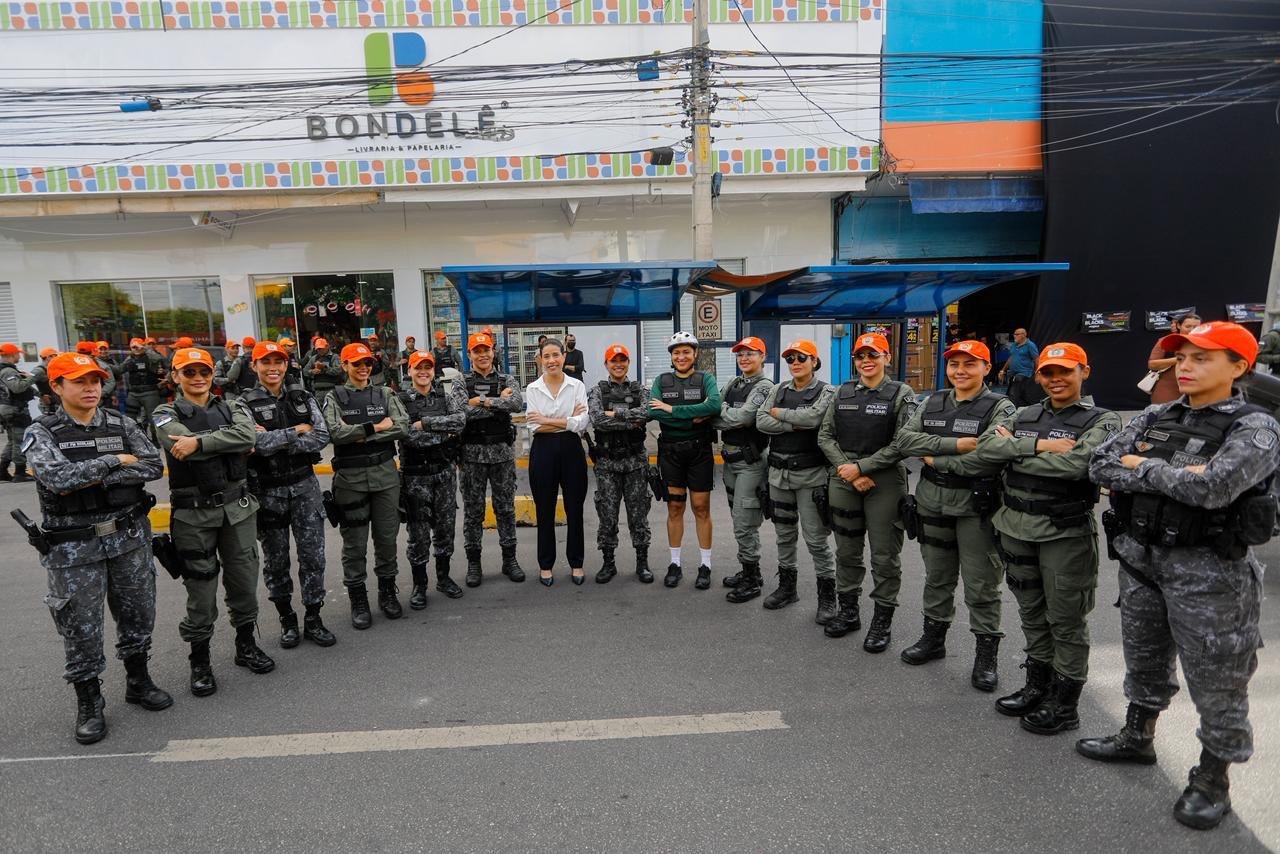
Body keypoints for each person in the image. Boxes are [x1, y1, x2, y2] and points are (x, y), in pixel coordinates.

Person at [1080, 321, 1278, 831]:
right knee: (1143, 656)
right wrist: (1172, 474)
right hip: (1143, 562)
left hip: (1212, 574)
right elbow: (1098, 466)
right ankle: (1137, 737)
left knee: (1218, 680)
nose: (1185, 366)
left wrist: (1141, 466)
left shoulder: (1255, 427)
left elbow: (1214, 489)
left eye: (1202, 358)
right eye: (1182, 357)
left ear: (1239, 367)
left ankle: (1213, 780)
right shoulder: (1154, 414)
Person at [23, 352, 169, 744]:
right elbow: (56, 478)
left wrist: (95, 474)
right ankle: (89, 701)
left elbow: (153, 465)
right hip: (74, 547)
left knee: (138, 612)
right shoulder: (43, 432)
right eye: (79, 382)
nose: (91, 388)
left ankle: (138, 680)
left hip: (128, 538)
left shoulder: (122, 422)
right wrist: (113, 463)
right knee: (81, 627)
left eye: (95, 381)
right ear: (56, 387)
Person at [974, 342, 1120, 733]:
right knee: (1031, 613)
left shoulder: (1102, 420)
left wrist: (1014, 450)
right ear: (1038, 376)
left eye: (1065, 372)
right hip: (1016, 528)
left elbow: (1077, 465)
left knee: (1066, 619)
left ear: (1083, 372)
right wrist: (1039, 445)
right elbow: (987, 447)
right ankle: (1037, 686)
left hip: (1063, 533)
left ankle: (1066, 702)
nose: (1056, 380)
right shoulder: (1025, 413)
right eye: (1048, 373)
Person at [892, 339, 1017, 691]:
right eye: (954, 364)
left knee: (981, 584)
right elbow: (904, 440)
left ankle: (985, 657)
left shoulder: (1000, 406)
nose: (960, 371)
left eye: (970, 364)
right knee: (937, 577)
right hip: (932, 501)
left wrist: (933, 455)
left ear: (986, 368)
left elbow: (990, 452)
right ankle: (934, 640)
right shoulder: (931, 401)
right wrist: (957, 445)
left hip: (976, 506)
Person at [152, 347, 275, 697]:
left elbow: (248, 436)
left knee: (244, 579)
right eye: (189, 372)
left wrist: (200, 443)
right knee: (201, 590)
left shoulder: (232, 404)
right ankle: (200, 661)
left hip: (237, 509)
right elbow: (177, 443)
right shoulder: (165, 412)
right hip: (194, 514)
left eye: (203, 371)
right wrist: (224, 443)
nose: (198, 378)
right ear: (176, 376)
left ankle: (246, 645)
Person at [817, 332, 916, 650]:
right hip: (844, 479)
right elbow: (826, 436)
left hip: (883, 482)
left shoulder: (901, 393)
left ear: (887, 357)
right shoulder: (842, 391)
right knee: (846, 552)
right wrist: (849, 469)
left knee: (885, 557)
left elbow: (903, 442)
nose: (867, 361)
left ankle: (881, 623)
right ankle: (849, 613)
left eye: (874, 354)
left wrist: (863, 468)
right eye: (860, 356)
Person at [242, 341, 336, 649]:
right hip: (268, 491)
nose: (273, 367)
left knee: (313, 557)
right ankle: (287, 621)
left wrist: (272, 439)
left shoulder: (302, 396)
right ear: (254, 366)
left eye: (278, 362)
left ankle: (313, 618)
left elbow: (322, 436)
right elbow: (250, 444)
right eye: (265, 362)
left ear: (286, 365)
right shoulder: (241, 405)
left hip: (305, 486)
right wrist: (297, 431)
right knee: (276, 561)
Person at [322, 342, 411, 629]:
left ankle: (387, 592)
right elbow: (334, 432)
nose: (363, 368)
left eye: (367, 364)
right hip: (351, 481)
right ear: (345, 366)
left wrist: (360, 436)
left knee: (386, 539)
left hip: (385, 477)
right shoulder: (334, 396)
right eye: (356, 363)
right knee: (354, 544)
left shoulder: (385, 393)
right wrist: (376, 428)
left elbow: (403, 426)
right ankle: (358, 600)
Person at [756, 339, 837, 622]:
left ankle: (828, 597)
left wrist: (779, 415)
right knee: (784, 534)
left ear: (814, 361)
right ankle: (787, 587)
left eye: (802, 358)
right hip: (778, 474)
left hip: (811, 475)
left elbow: (815, 418)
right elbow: (761, 420)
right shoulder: (778, 389)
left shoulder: (826, 391)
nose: (795, 363)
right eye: (790, 359)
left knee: (816, 539)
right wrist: (793, 422)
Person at [648, 331, 721, 588]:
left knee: (701, 507)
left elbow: (714, 406)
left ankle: (705, 565)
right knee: (675, 507)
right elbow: (651, 411)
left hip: (700, 452)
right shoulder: (662, 380)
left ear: (695, 354)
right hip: (671, 452)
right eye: (676, 352)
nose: (681, 356)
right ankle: (675, 563)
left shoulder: (706, 379)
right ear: (671, 356)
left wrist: (671, 409)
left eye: (686, 351)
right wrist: (691, 416)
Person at [398, 350, 467, 606]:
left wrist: (424, 424)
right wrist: (441, 431)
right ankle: (420, 585)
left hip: (445, 472)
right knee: (418, 533)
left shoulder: (444, 396)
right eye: (418, 367)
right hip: (416, 476)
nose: (423, 372)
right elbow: (406, 435)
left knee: (445, 528)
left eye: (428, 367)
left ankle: (443, 577)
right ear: (410, 371)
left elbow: (459, 422)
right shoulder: (401, 399)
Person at [459, 331, 526, 586]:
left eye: (486, 349)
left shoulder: (507, 377)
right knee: (473, 512)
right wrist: (499, 401)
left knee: (506, 510)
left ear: (493, 351)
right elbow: (459, 412)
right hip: (472, 456)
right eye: (477, 351)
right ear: (469, 355)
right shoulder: (461, 382)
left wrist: (480, 402)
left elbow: (517, 404)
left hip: (502, 454)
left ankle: (510, 560)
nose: (483, 354)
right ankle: (474, 564)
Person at [525, 338, 590, 585]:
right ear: (540, 359)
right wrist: (566, 421)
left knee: (575, 508)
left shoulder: (576, 386)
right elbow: (533, 426)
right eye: (546, 356)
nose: (551, 360)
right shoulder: (533, 388)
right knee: (545, 509)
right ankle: (545, 565)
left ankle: (576, 563)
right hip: (543, 451)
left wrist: (548, 420)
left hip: (572, 450)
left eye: (555, 355)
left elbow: (582, 423)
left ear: (564, 356)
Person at [714, 336, 773, 603]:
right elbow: (714, 412)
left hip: (750, 463)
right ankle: (748, 569)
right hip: (730, 461)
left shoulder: (764, 386)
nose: (745, 358)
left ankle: (752, 578)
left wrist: (724, 412)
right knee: (738, 518)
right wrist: (727, 415)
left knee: (744, 520)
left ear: (762, 357)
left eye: (751, 353)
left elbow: (746, 417)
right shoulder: (734, 383)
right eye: (740, 354)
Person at [587, 344, 653, 584]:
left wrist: (614, 414)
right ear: (606, 364)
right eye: (613, 360)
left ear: (628, 363)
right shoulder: (597, 391)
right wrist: (629, 418)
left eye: (622, 360)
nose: (618, 364)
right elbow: (597, 420)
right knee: (607, 514)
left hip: (635, 462)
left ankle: (642, 562)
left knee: (639, 515)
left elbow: (646, 414)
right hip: (607, 464)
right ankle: (608, 563)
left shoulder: (640, 390)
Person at [1, 341, 38, 482]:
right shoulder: (8, 371)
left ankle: (2, 470)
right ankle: (20, 472)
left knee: (12, 441)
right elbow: (17, 388)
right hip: (15, 410)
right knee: (20, 440)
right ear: (11, 355)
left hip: (10, 409)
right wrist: (31, 378)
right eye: (17, 354)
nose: (19, 356)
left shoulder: (8, 370)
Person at [1147, 313, 1201, 404]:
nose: (1192, 330)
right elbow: (1152, 365)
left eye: (1196, 327)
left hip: (1197, 389)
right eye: (1188, 326)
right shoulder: (1166, 341)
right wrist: (1179, 359)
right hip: (1168, 390)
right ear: (1179, 326)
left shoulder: (1205, 343)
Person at [122, 337, 167, 428]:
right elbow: (120, 369)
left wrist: (144, 348)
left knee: (155, 419)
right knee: (130, 418)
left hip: (150, 392)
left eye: (137, 346)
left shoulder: (151, 356)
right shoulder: (129, 358)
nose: (136, 349)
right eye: (133, 347)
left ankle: (157, 440)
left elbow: (158, 359)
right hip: (134, 393)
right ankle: (135, 438)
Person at [998, 328, 1040, 407]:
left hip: (1024, 373)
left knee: (1013, 394)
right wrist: (1003, 370)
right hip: (1013, 373)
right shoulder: (1014, 345)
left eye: (1017, 334)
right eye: (1014, 334)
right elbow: (1011, 358)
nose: (1014, 336)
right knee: (1021, 395)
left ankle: (1011, 413)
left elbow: (1036, 359)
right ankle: (1030, 408)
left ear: (1024, 335)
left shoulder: (1030, 345)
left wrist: (1037, 373)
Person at [30, 347, 61, 416]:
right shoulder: (39, 371)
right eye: (55, 356)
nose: (57, 358)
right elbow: (22, 386)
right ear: (48, 357)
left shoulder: (52, 368)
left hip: (58, 403)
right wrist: (41, 395)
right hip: (49, 407)